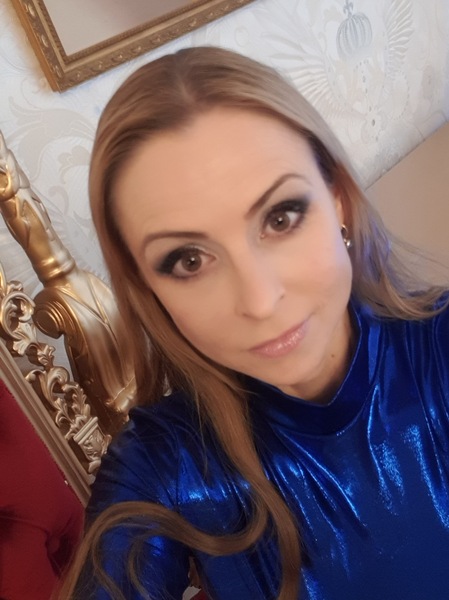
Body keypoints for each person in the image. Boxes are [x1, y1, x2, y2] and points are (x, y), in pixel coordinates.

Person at [58, 46, 449, 600]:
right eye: (188, 260)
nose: (261, 301)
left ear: (337, 198)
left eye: (281, 217)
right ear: (148, 288)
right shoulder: (164, 467)